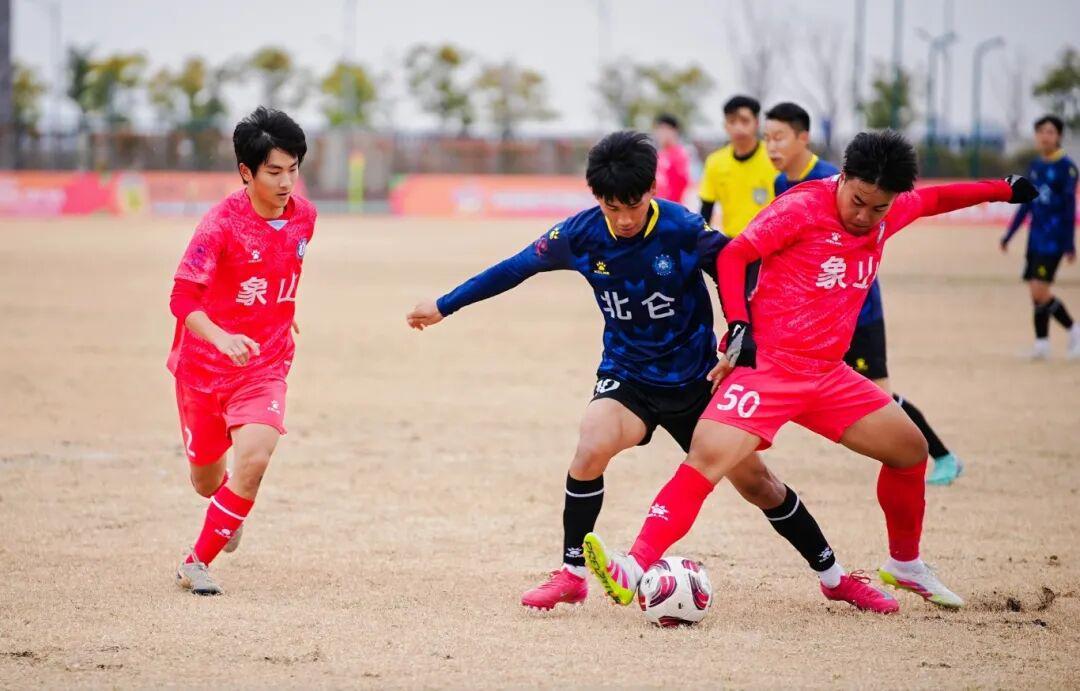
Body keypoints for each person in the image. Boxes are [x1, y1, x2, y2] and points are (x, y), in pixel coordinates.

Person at [407, 131, 895, 613]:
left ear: (652, 191)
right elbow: (514, 268)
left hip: (700, 379)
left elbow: (739, 266)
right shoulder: (578, 235)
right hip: (630, 376)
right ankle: (573, 575)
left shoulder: (682, 229)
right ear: (596, 197)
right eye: (611, 207)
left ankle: (834, 578)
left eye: (633, 206)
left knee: (759, 485)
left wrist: (741, 331)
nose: (623, 219)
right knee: (591, 445)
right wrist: (444, 305)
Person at [583, 130, 1037, 612]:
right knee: (707, 458)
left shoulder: (888, 211)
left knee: (910, 451)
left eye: (878, 208)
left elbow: (935, 199)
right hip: (769, 368)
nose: (864, 216)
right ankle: (633, 565)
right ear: (844, 177)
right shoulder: (800, 208)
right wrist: (739, 325)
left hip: (827, 374)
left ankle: (905, 564)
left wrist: (1004, 189)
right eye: (857, 201)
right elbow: (735, 255)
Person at [766, 101, 964, 486]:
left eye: (779, 138)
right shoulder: (781, 184)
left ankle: (942, 456)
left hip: (858, 312)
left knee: (879, 395)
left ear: (803, 138)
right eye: (767, 138)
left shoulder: (839, 180)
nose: (772, 147)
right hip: (814, 318)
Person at [168, 107, 316, 595]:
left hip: (265, 364)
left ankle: (196, 563)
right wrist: (222, 337)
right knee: (206, 482)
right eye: (274, 172)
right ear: (246, 172)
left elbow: (277, 271)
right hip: (203, 368)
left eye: (293, 169)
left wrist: (282, 309)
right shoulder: (219, 225)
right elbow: (182, 299)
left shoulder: (305, 217)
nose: (286, 182)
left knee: (254, 459)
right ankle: (227, 508)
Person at [1002, 114, 1079, 359]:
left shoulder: (1066, 168)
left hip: (1053, 241)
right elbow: (1026, 205)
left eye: (1050, 132)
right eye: (1041, 132)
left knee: (1040, 290)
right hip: (1035, 239)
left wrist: (1069, 244)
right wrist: (1009, 234)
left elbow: (1069, 209)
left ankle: (1074, 330)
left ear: (1058, 136)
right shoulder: (1035, 166)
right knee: (1034, 292)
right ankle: (1042, 344)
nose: (1045, 136)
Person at [698, 95, 776, 237]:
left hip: (770, 241)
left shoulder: (775, 157)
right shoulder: (715, 162)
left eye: (745, 121)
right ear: (725, 125)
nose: (738, 127)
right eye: (732, 121)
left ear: (757, 123)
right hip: (733, 241)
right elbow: (706, 210)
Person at [653, 113, 691, 204]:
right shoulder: (658, 155)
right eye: (659, 129)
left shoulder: (680, 155)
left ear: (675, 131)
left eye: (665, 129)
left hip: (670, 207)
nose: (661, 134)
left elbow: (681, 185)